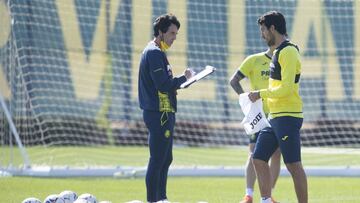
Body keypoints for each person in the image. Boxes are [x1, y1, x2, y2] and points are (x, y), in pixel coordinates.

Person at [248, 11, 308, 203]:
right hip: (274, 116)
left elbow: (286, 88)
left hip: (287, 116)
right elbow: (278, 87)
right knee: (257, 158)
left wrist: (260, 93)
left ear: (273, 28)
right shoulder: (279, 52)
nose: (262, 34)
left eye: (264, 30)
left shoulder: (289, 52)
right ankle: (266, 201)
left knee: (293, 165)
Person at [138, 13, 193, 203]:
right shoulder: (153, 52)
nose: (174, 37)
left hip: (165, 111)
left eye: (176, 34)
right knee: (157, 159)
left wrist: (180, 83)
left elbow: (164, 84)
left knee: (166, 158)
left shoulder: (158, 52)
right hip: (158, 113)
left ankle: (161, 198)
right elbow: (162, 84)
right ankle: (153, 200)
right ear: (160, 32)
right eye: (171, 33)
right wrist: (183, 79)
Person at [229, 44, 281, 203]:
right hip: (258, 117)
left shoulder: (284, 60)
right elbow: (234, 81)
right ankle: (249, 195)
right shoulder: (253, 60)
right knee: (253, 154)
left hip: (277, 114)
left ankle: (268, 195)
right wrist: (247, 101)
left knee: (276, 155)